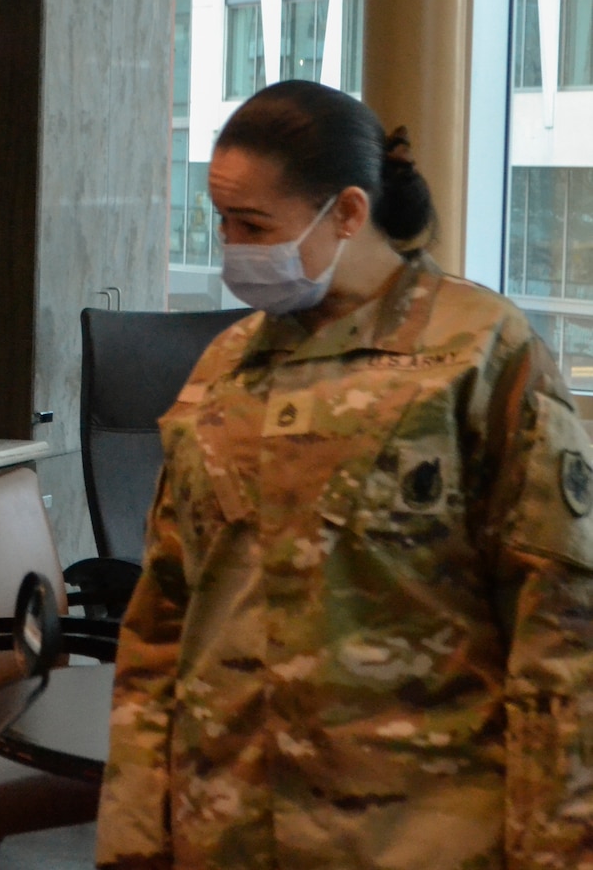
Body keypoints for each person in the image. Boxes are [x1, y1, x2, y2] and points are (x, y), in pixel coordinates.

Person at [94, 81, 593, 869]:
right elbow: (161, 625)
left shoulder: (484, 354)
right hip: (224, 831)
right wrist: (130, 842)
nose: (231, 248)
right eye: (222, 223)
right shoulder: (225, 368)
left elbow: (561, 638)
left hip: (418, 838)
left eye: (253, 225)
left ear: (349, 213)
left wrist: (560, 852)